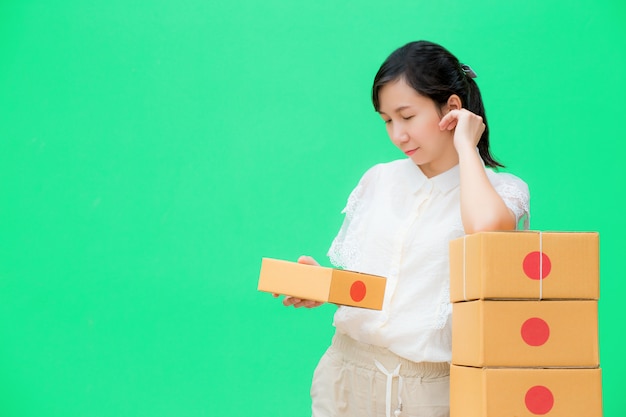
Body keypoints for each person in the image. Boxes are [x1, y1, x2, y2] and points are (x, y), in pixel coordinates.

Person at [278, 40, 530, 417]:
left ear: (452, 109)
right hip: (347, 373)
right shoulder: (379, 180)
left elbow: (486, 236)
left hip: (430, 393)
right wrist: (325, 286)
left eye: (407, 116)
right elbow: (378, 287)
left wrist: (466, 146)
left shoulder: (502, 192)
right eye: (387, 121)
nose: (398, 134)